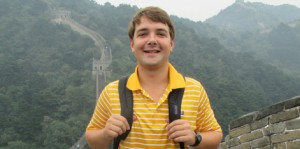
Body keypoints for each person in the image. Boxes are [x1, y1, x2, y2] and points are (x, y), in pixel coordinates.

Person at [85, 6, 223, 149]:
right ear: (132, 44)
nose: (152, 40)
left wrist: (196, 138)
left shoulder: (194, 89)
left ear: (171, 44)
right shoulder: (112, 92)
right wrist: (106, 133)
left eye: (161, 34)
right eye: (143, 34)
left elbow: (215, 134)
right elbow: (92, 137)